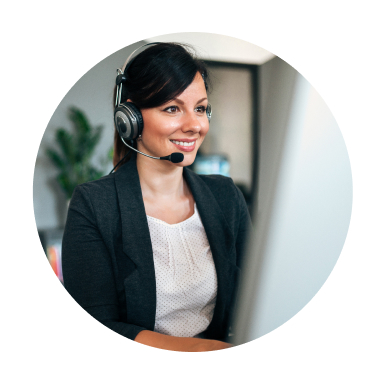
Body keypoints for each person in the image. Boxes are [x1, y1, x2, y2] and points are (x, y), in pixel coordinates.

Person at [62, 42, 252, 352]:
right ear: (131, 117)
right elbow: (95, 325)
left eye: (201, 108)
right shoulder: (94, 205)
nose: (194, 125)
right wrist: (199, 351)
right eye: (172, 108)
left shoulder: (225, 196)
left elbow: (256, 297)